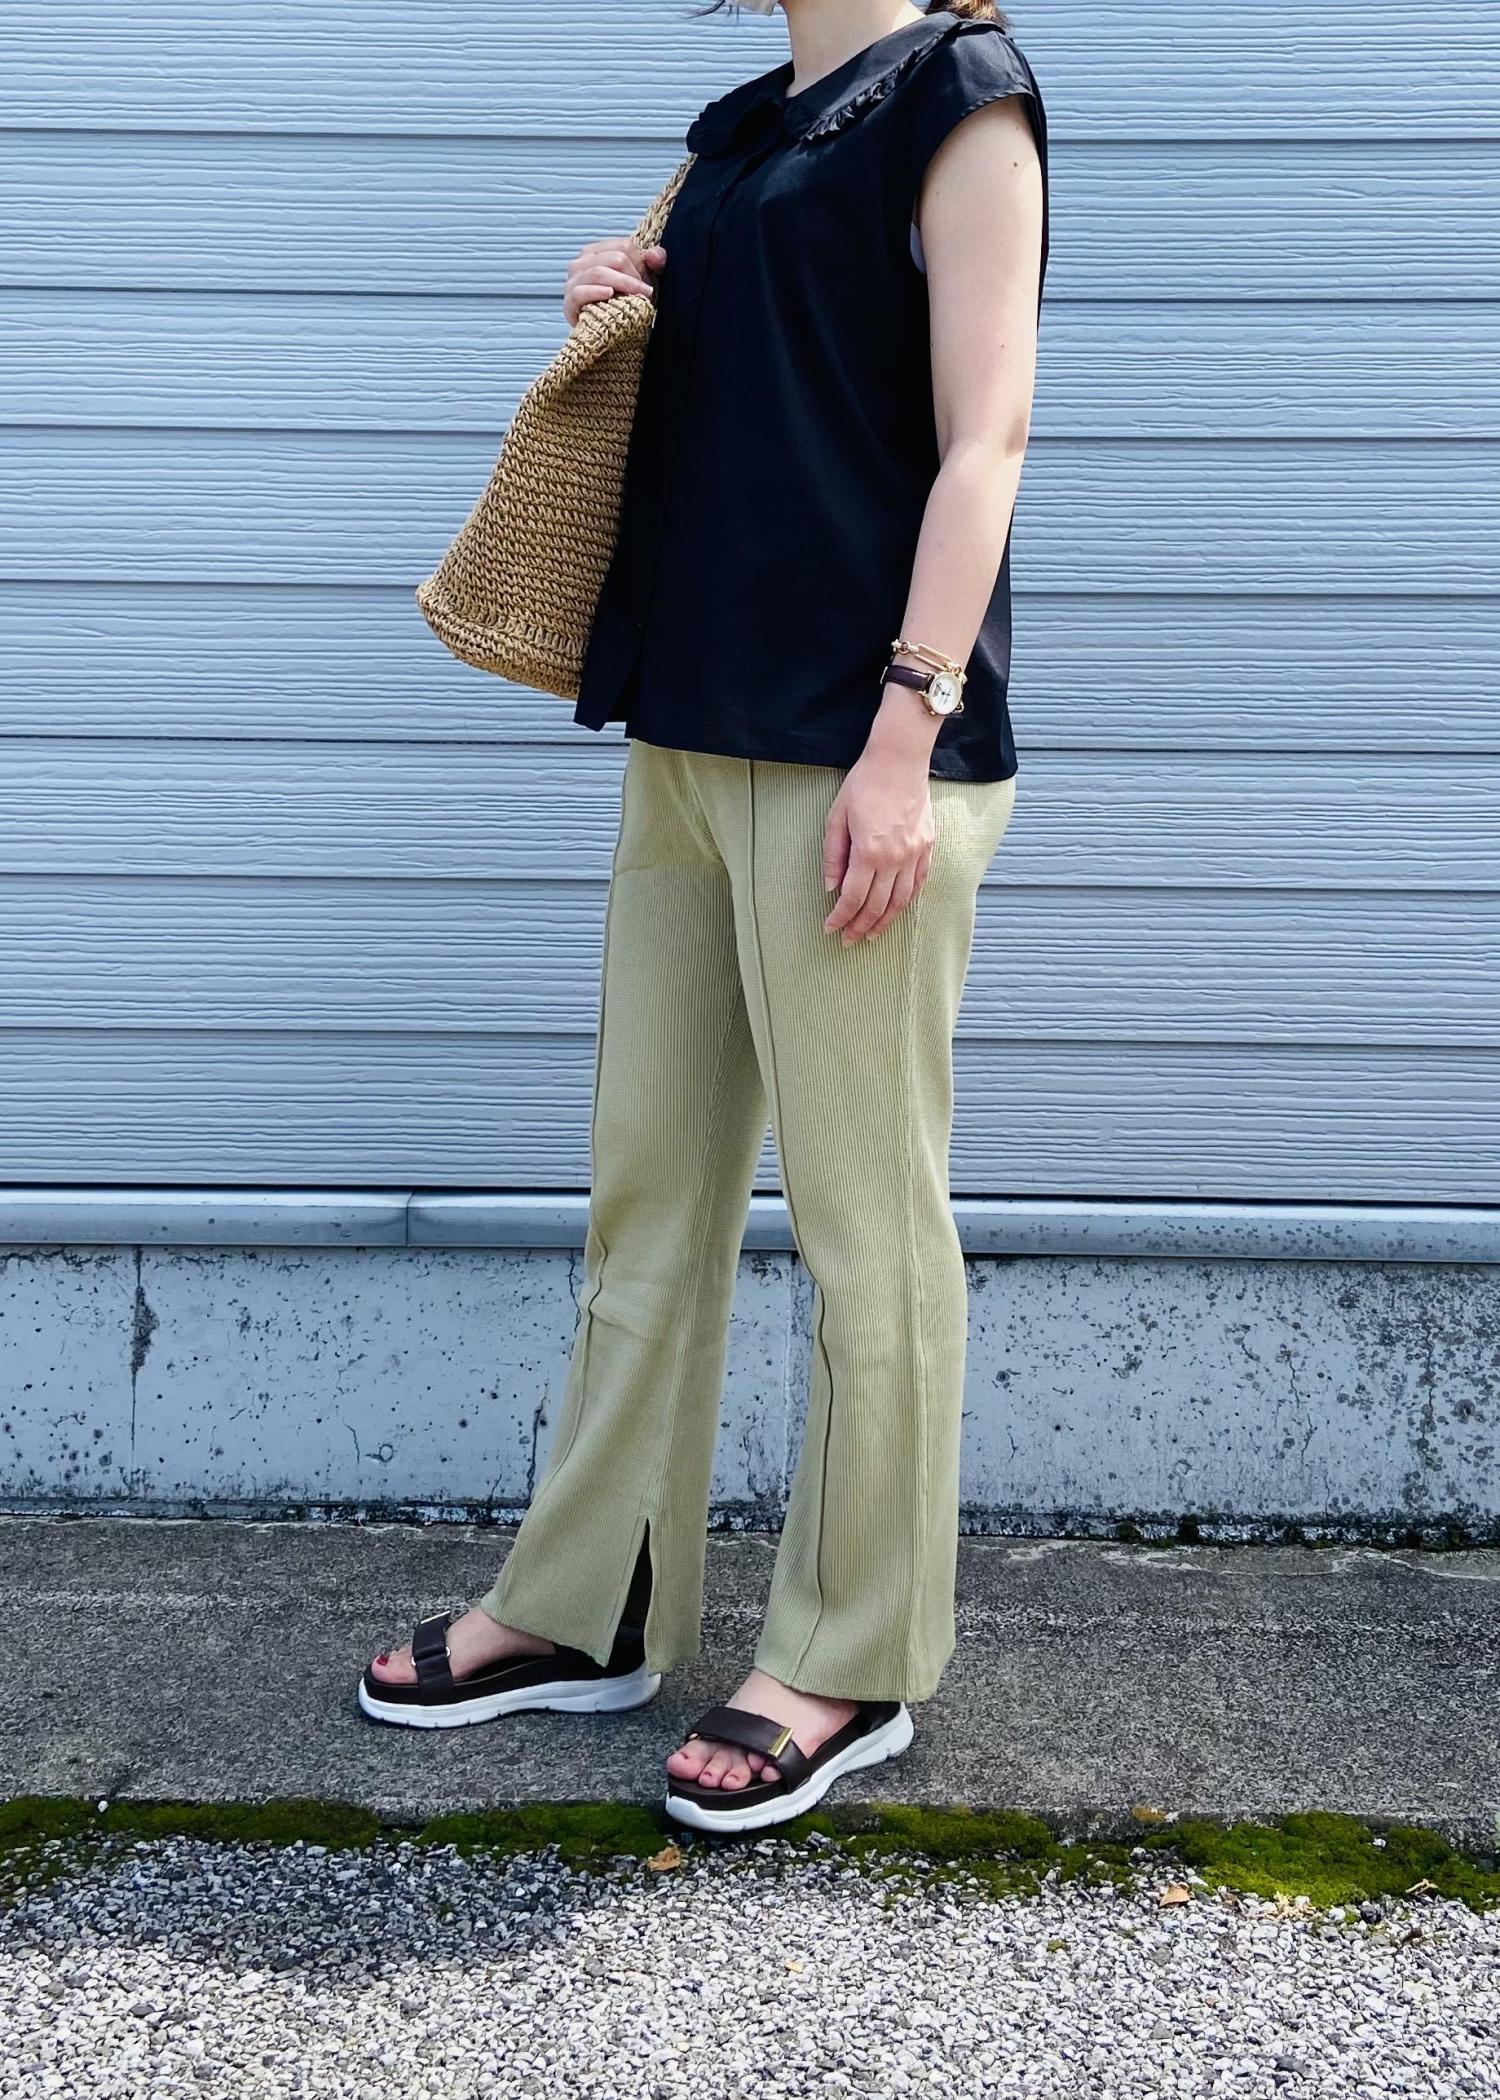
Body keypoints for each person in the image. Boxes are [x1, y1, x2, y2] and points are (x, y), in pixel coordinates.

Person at [358, 0, 1048, 1835]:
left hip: (859, 749)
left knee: (864, 1224)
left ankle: (852, 1654)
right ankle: (590, 1605)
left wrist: (905, 732)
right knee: (648, 1188)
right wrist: (620, 296)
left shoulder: (963, 94)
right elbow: (766, 408)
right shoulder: (743, 126)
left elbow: (985, 437)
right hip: (690, 727)